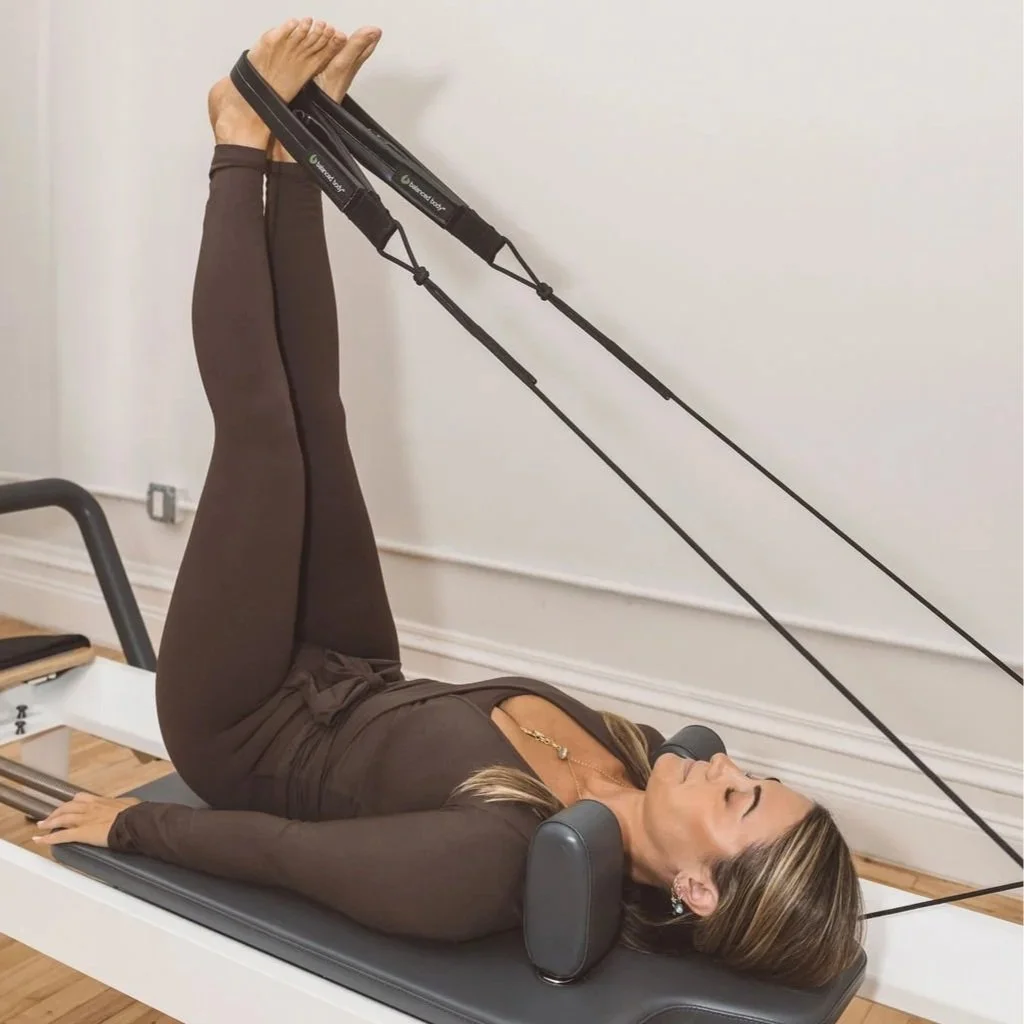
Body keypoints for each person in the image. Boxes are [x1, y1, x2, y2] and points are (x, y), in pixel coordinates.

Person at [35, 18, 863, 988]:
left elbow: (285, 854)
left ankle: (233, 136)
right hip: (357, 675)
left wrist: (135, 821)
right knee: (322, 424)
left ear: (697, 887)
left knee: (264, 441)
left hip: (245, 721)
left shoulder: (486, 870)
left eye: (738, 798)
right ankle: (295, 152)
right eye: (749, 777)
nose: (728, 764)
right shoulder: (630, 760)